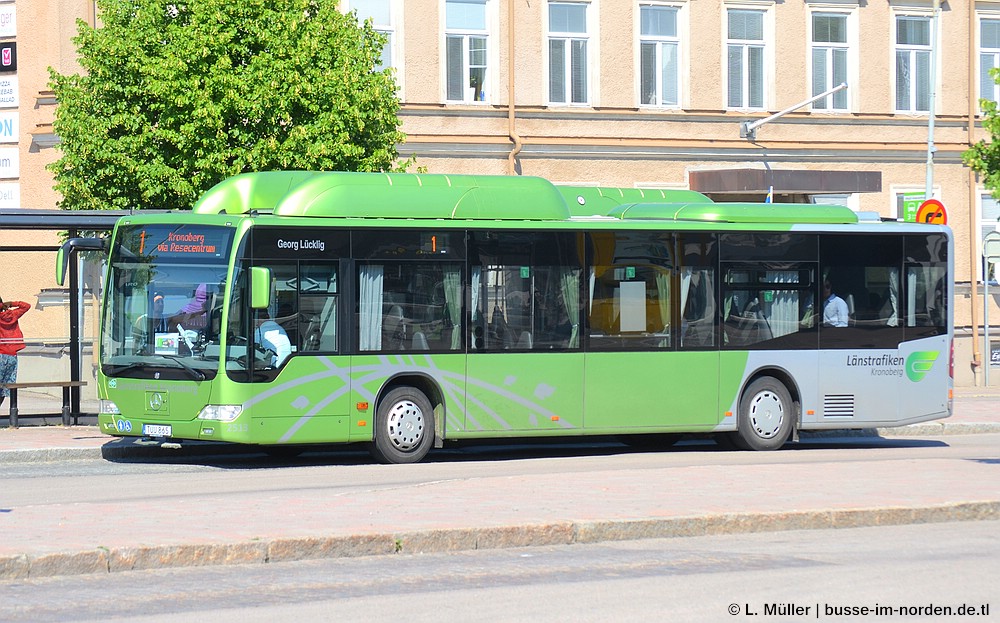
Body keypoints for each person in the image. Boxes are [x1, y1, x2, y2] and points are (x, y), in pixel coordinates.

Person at [0, 297, 31, 409]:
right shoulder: (12, 315)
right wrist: (12, 303)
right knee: (6, 386)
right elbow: (26, 306)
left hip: (0, 354)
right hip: (12, 355)